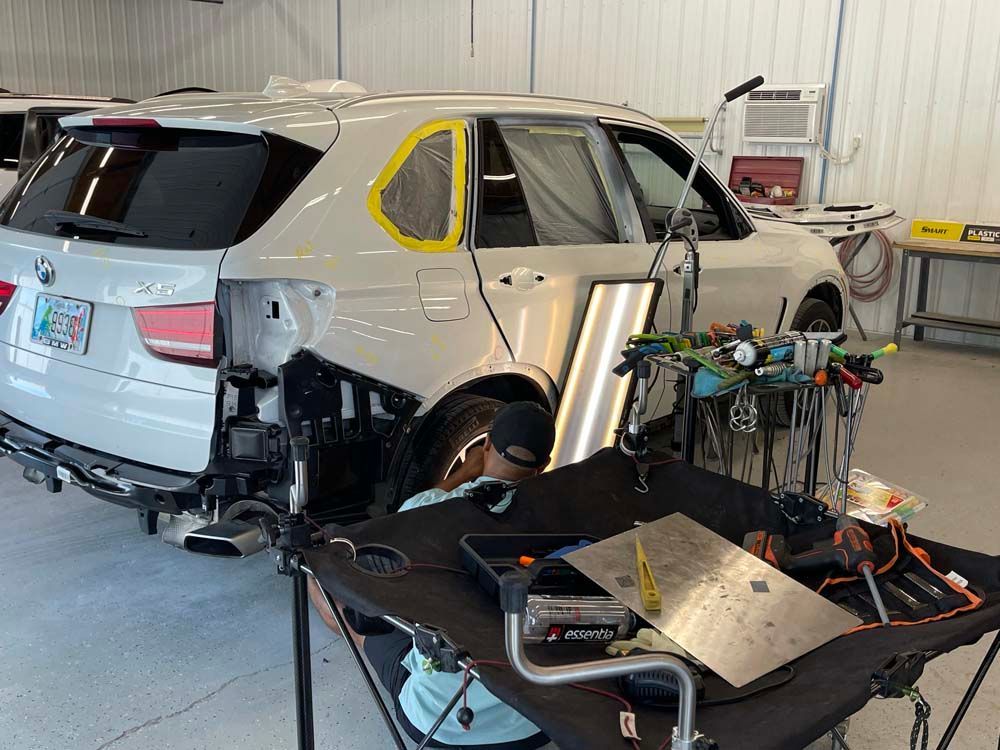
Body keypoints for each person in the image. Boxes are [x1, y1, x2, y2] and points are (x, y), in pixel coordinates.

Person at [308, 401, 556, 750]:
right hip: (536, 725)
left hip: (438, 725)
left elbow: (410, 519)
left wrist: (464, 474)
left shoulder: (424, 510)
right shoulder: (561, 516)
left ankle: (354, 636)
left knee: (321, 577)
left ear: (484, 446)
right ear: (544, 465)